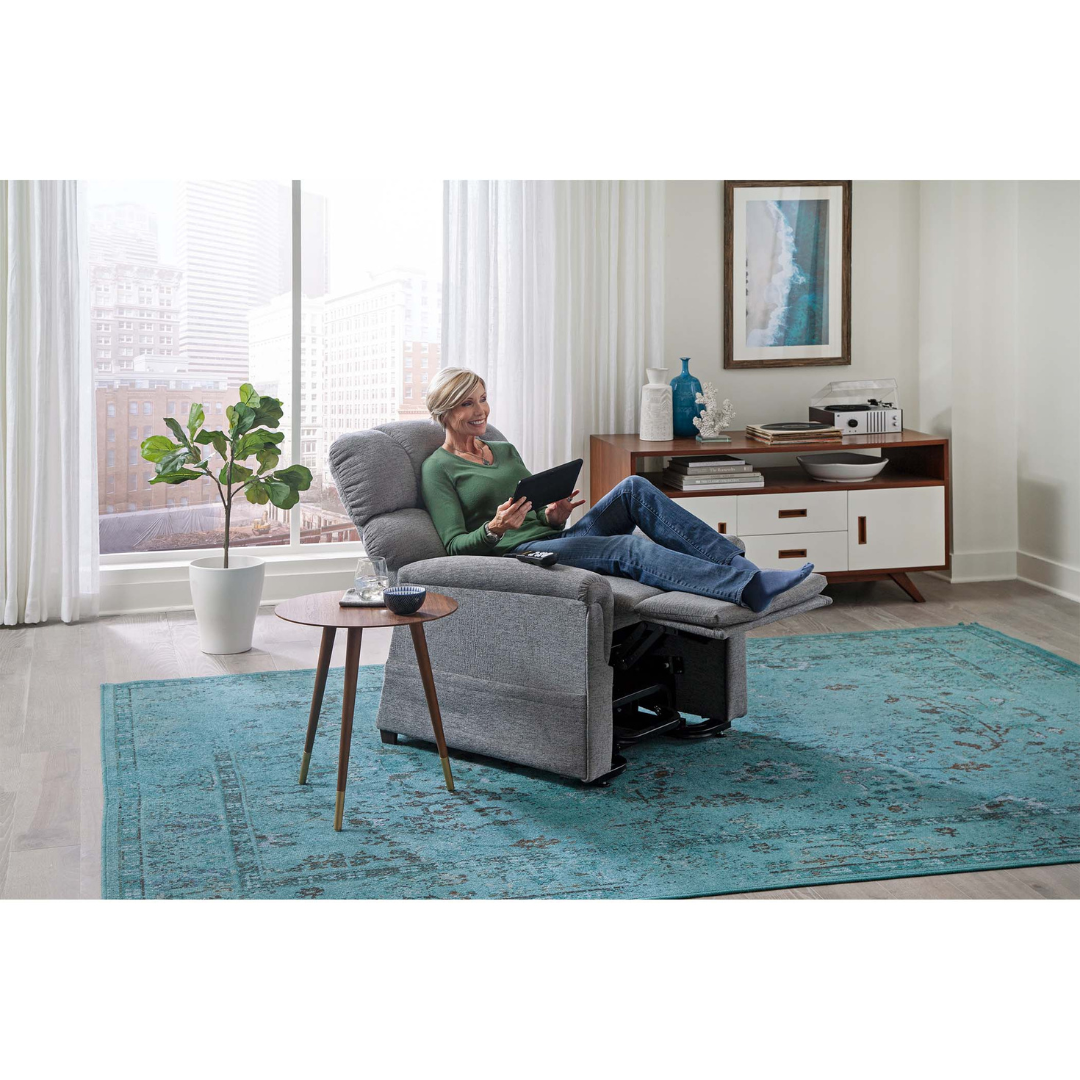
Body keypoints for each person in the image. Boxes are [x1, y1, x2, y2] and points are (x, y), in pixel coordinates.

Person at [419, 368, 814, 613]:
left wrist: (551, 514)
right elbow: (453, 548)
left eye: (483, 399)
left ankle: (741, 567)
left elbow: (532, 509)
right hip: (520, 556)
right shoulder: (438, 468)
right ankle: (747, 588)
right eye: (467, 404)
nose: (481, 410)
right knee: (625, 548)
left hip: (555, 537)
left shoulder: (501, 448)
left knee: (634, 487)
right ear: (444, 413)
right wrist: (496, 528)